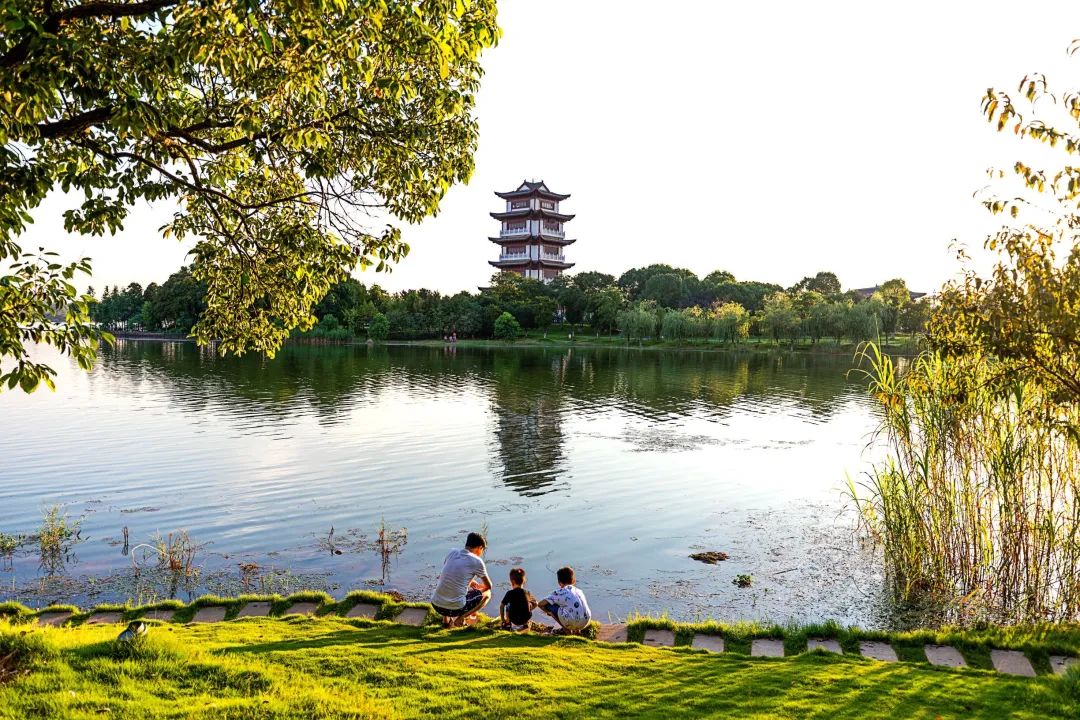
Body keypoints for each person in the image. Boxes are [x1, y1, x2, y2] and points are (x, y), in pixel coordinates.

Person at [431, 532, 492, 627]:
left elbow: (449, 574)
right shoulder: (477, 561)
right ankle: (461, 618)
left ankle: (446, 621)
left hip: (436, 604)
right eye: (482, 550)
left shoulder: (452, 552)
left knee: (448, 586)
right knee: (487, 594)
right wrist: (478, 591)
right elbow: (488, 586)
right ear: (479, 548)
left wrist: (470, 582)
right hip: (455, 609)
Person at [537, 566, 591, 635]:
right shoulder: (579, 591)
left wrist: (548, 612)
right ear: (574, 580)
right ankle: (578, 632)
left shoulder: (559, 592)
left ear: (559, 582)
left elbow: (540, 604)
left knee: (549, 605)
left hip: (572, 622)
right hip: (586, 622)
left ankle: (566, 630)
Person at [499, 567, 536, 631]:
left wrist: (503, 619)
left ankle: (507, 623)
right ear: (524, 581)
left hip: (514, 619)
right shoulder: (527, 592)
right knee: (530, 603)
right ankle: (525, 624)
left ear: (512, 581)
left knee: (508, 605)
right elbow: (535, 604)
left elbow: (501, 606)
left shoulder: (510, 593)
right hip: (525, 618)